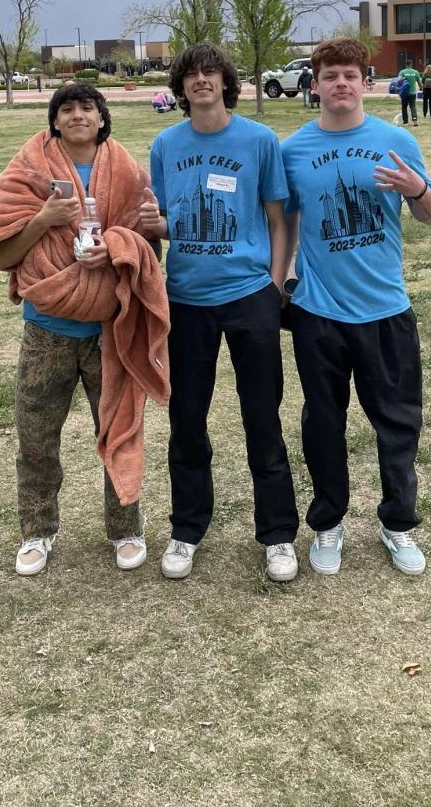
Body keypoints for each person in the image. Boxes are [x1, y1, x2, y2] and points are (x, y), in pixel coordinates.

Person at [0, 84, 170, 576]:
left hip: (108, 331)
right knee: (36, 438)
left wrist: (118, 245)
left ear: (101, 119)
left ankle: (125, 528)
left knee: (119, 431)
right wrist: (44, 219)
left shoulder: (128, 173)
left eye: (87, 108)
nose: (78, 115)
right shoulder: (27, 172)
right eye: (67, 109)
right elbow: (3, 255)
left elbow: (149, 253)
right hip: (46, 333)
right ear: (54, 121)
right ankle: (37, 531)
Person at [280, 38, 431, 579]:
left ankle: (398, 523)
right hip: (318, 313)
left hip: (385, 309)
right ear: (316, 85)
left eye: (350, 75)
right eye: (330, 76)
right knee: (323, 423)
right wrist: (280, 283)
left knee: (398, 423)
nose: (341, 84)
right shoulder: (293, 150)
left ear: (365, 82)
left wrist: (416, 188)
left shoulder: (395, 141)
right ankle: (328, 522)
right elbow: (286, 223)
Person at [144, 42, 299, 584]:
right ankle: (186, 529)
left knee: (263, 417)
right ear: (181, 87)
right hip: (187, 300)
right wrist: (152, 227)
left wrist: (274, 286)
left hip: (250, 295)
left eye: (211, 72)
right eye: (191, 74)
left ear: (226, 82)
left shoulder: (258, 140)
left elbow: (279, 219)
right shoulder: (166, 145)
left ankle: (278, 534)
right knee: (187, 419)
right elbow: (167, 220)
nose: (202, 80)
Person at [397, 62, 421, 126]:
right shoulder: (415, 72)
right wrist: (421, 88)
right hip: (412, 92)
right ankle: (415, 121)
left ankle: (405, 122)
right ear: (411, 64)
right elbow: (419, 83)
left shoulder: (402, 72)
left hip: (404, 93)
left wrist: (397, 86)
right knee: (413, 106)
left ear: (406, 65)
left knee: (404, 107)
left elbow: (399, 80)